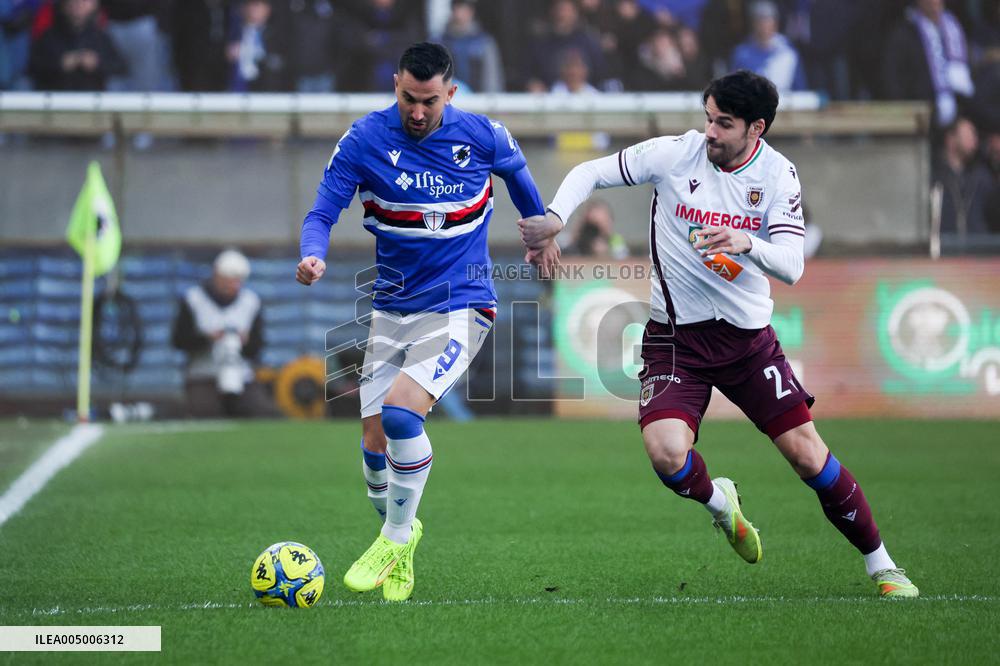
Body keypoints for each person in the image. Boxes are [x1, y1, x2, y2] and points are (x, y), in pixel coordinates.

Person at [518, 69, 919, 599]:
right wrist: (554, 217)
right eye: (707, 118)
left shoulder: (778, 176)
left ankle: (882, 565)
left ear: (756, 128)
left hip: (746, 345)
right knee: (666, 456)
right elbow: (592, 170)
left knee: (807, 455)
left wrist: (745, 242)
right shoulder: (677, 153)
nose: (709, 132)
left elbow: (793, 265)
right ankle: (720, 505)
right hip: (674, 340)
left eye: (722, 124)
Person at [296, 42, 548, 601]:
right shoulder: (364, 139)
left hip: (462, 305)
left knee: (401, 414)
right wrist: (312, 252)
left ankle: (395, 535)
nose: (417, 111)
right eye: (409, 98)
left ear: (450, 94)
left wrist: (540, 229)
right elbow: (322, 211)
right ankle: (403, 538)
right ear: (395, 86)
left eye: (429, 101)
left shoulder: (482, 134)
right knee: (371, 443)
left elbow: (520, 178)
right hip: (392, 309)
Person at [172, 249, 276, 419]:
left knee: (260, 410)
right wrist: (207, 339)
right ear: (216, 276)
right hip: (203, 375)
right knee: (205, 411)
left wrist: (245, 342)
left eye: (236, 281)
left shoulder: (250, 302)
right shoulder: (193, 299)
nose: (231, 286)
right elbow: (178, 340)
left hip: (241, 375)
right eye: (227, 280)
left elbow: (257, 347)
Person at [28, 0, 127, 91]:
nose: (79, 5)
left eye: (84, 2)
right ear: (64, 6)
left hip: (93, 96)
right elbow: (32, 67)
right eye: (74, 2)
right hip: (55, 95)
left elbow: (119, 67)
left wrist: (97, 63)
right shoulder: (49, 36)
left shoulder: (101, 37)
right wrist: (59, 64)